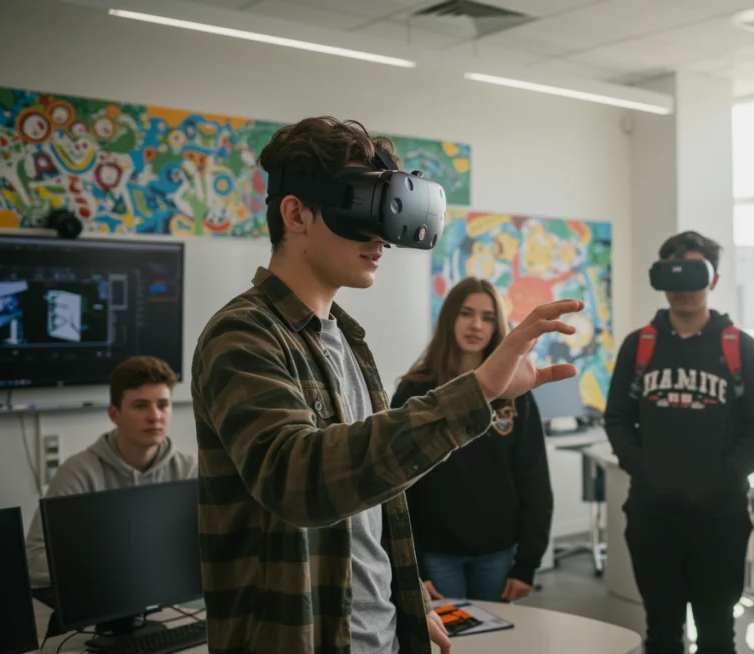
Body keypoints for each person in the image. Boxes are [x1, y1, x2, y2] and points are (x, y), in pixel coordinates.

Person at [190, 116, 582, 654]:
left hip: (381, 636)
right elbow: (296, 479)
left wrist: (409, 599)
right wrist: (478, 390)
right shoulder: (242, 336)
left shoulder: (349, 340)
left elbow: (374, 504)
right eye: (359, 209)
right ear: (296, 212)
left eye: (387, 213)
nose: (380, 238)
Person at [604, 230, 754, 654]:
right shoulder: (639, 345)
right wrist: (643, 469)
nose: (682, 290)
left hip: (720, 521)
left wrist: (726, 475)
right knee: (661, 633)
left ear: (713, 280)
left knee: (717, 634)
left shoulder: (738, 346)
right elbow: (618, 419)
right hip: (652, 519)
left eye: (694, 276)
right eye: (673, 277)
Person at [390, 278, 553, 603]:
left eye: (488, 317)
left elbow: (534, 478)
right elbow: (397, 487)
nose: (476, 325)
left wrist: (527, 564)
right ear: (449, 317)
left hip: (497, 553)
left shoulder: (513, 390)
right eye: (466, 313)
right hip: (435, 555)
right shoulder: (415, 390)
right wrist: (413, 566)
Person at [24, 355, 196, 587]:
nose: (155, 416)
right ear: (114, 414)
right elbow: (35, 560)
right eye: (141, 405)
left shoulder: (190, 471)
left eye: (163, 405)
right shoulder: (78, 473)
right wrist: (114, 567)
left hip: (175, 597)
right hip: (106, 599)